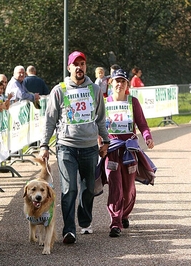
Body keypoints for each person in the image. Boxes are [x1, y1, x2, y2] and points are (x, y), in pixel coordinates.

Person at [38, 51, 110, 244]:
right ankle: (69, 230)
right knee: (69, 189)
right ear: (69, 68)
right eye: (75, 64)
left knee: (88, 188)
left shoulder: (94, 89)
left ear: (86, 67)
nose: (79, 67)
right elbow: (50, 120)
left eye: (82, 63)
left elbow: (101, 118)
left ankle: (84, 221)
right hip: (66, 147)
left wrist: (106, 140)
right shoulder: (59, 90)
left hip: (89, 148)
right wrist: (44, 144)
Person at [99, 69, 155, 237]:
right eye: (117, 81)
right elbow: (98, 125)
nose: (119, 84)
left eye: (123, 81)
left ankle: (124, 214)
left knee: (129, 187)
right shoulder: (104, 102)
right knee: (115, 186)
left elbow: (142, 124)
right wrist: (101, 143)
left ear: (127, 85)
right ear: (110, 83)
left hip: (129, 151)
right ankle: (115, 222)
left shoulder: (133, 102)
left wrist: (147, 137)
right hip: (112, 150)